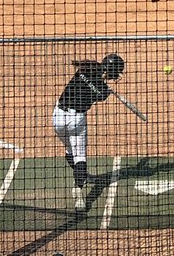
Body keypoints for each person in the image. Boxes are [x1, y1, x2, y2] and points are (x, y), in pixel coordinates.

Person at [52, 53, 125, 211]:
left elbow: (93, 75)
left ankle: (82, 175)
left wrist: (101, 82)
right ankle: (78, 191)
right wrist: (104, 87)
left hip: (57, 117)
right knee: (80, 158)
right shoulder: (103, 92)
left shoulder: (86, 69)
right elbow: (99, 92)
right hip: (76, 121)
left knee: (69, 150)